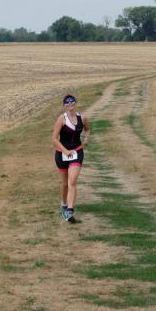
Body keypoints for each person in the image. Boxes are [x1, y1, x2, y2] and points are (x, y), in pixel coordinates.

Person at [52, 94, 90, 222]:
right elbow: (54, 139)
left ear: (75, 102)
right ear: (64, 105)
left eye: (72, 101)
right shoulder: (61, 119)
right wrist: (65, 151)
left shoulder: (82, 118)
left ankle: (70, 210)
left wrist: (86, 139)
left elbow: (87, 129)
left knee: (72, 181)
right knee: (65, 184)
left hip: (77, 152)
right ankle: (64, 204)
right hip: (61, 154)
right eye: (67, 102)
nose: (70, 104)